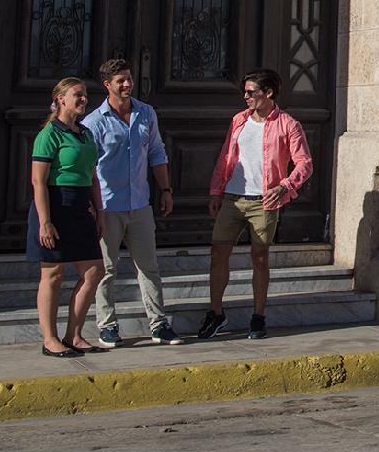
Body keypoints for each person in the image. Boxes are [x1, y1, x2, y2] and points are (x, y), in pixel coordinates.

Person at [199, 69, 313, 340]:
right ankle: (216, 313)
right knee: (218, 253)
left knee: (260, 258)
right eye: (245, 92)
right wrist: (216, 191)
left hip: (264, 200)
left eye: (251, 92)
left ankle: (258, 316)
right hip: (232, 197)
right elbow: (226, 156)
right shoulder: (239, 120)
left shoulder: (288, 124)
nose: (246, 97)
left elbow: (305, 163)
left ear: (268, 93)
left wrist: (285, 186)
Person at [81, 57, 181, 347]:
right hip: (108, 206)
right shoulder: (94, 122)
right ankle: (107, 325)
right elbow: (88, 168)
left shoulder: (145, 113)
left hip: (139, 203)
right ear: (107, 85)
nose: (127, 84)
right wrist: (92, 206)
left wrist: (165, 189)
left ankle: (159, 324)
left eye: (129, 78)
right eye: (120, 81)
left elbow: (157, 152)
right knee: (106, 269)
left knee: (149, 267)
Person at [28, 77, 107, 358]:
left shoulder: (85, 134)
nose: (84, 99)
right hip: (55, 204)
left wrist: (99, 211)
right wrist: (45, 221)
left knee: (94, 270)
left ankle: (73, 334)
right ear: (61, 99)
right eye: (77, 94)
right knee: (53, 274)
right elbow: (38, 181)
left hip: (81, 206)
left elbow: (93, 176)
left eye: (85, 94)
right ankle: (50, 339)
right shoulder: (50, 134)